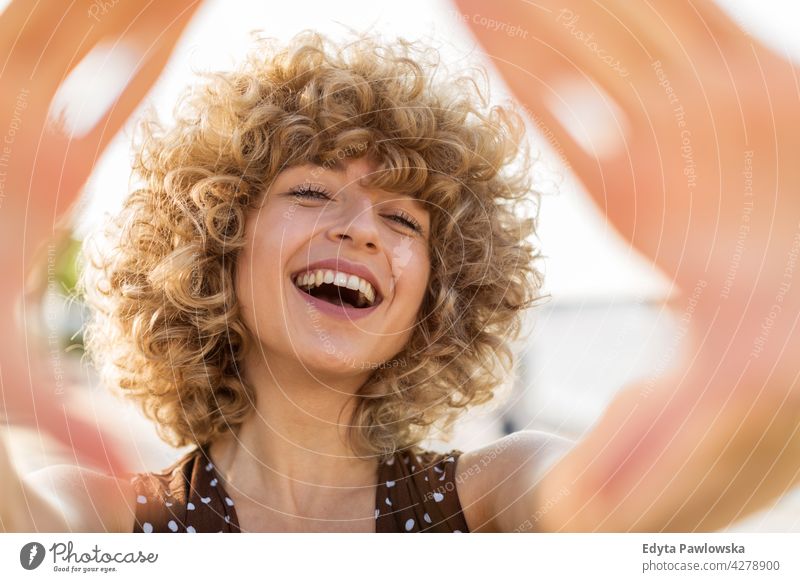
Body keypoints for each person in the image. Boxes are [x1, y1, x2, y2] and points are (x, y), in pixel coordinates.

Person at [1, 0, 798, 533]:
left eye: (402, 217)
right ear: (217, 243)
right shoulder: (106, 515)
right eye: (312, 191)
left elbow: (615, 510)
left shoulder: (494, 496)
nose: (361, 230)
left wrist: (767, 347)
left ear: (437, 292)